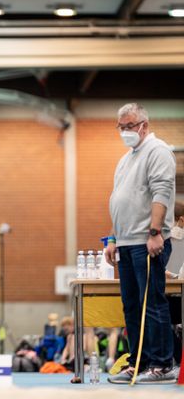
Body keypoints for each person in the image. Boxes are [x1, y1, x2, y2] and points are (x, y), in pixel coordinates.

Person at [106, 103, 177, 384]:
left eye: (130, 126)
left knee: (153, 304)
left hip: (146, 241)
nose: (125, 132)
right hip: (125, 243)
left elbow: (162, 191)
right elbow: (119, 202)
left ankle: (161, 364)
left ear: (144, 126)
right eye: (120, 127)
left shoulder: (157, 151)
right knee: (131, 306)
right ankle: (139, 362)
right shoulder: (126, 159)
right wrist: (113, 238)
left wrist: (155, 231)